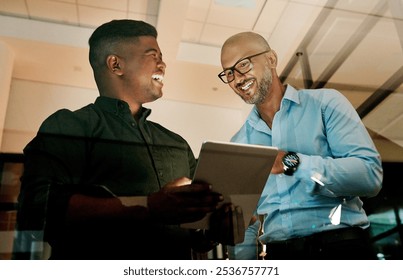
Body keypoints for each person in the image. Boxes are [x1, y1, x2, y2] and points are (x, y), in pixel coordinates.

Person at [15, 19, 233, 260]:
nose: (163, 64)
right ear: (115, 64)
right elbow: (36, 213)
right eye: (153, 55)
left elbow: (195, 238)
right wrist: (148, 207)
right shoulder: (70, 126)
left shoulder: (177, 144)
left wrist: (215, 231)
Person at [218, 31, 383, 260]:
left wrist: (292, 163)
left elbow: (369, 176)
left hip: (342, 248)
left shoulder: (326, 104)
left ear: (271, 60)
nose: (236, 78)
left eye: (243, 65)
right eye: (228, 73)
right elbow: (244, 222)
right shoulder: (239, 144)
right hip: (281, 256)